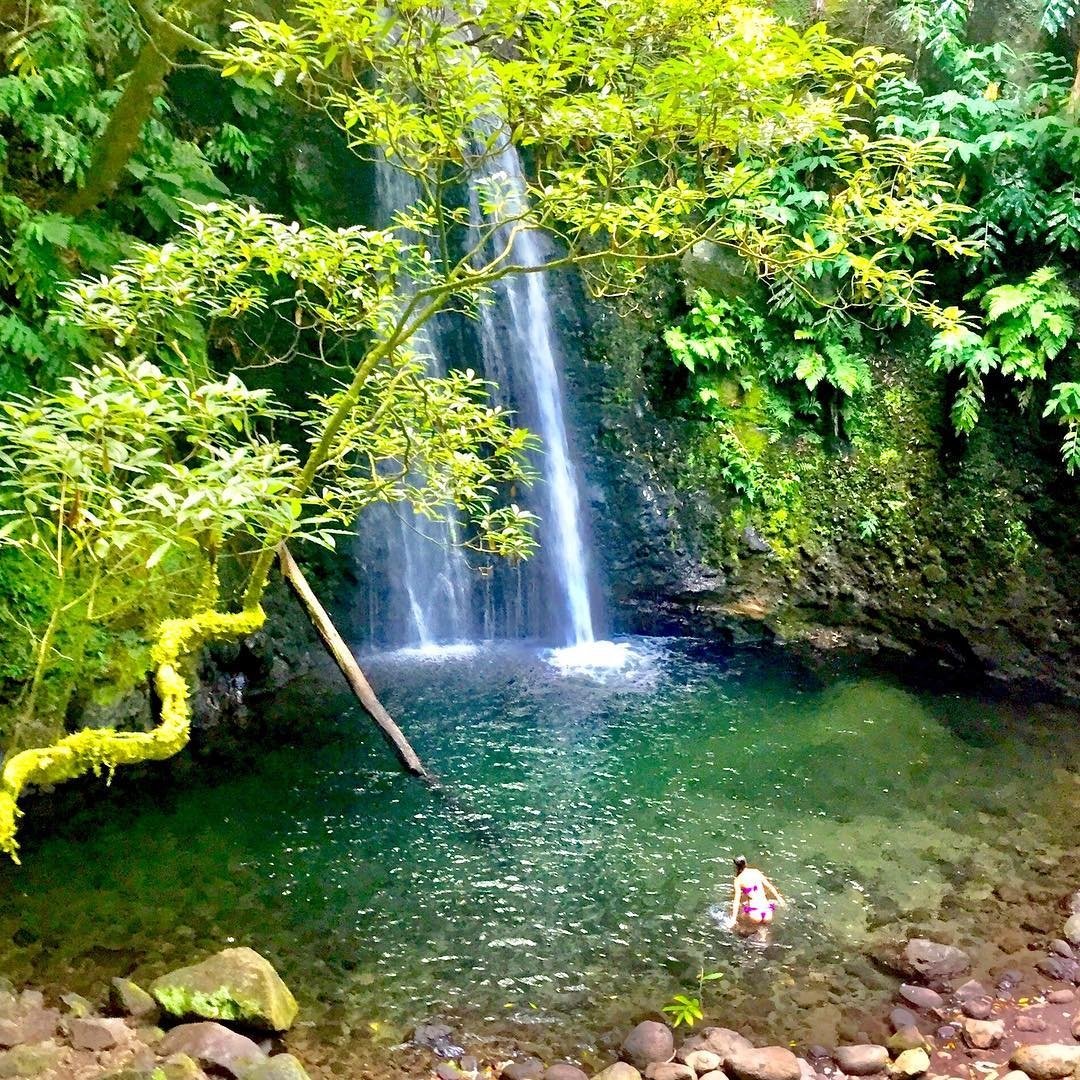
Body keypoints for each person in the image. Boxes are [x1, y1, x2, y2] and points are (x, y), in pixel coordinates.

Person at [730, 855, 785, 935]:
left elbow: (736, 901)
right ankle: (763, 939)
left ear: (736, 866)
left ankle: (746, 931)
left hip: (755, 914)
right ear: (746, 863)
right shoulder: (756, 872)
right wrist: (780, 899)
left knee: (741, 917)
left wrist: (733, 918)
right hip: (767, 911)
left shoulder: (738, 880)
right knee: (763, 929)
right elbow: (770, 886)